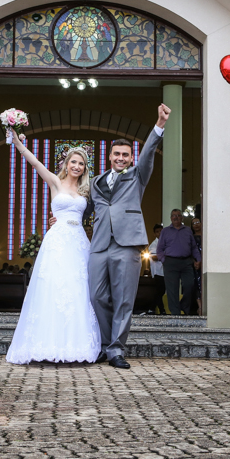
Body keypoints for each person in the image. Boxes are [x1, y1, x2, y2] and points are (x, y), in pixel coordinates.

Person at [85, 104, 170, 369]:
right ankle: (104, 345)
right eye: (116, 154)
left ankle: (116, 349)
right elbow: (83, 207)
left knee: (123, 299)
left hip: (127, 244)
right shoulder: (96, 182)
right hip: (99, 245)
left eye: (125, 155)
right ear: (109, 156)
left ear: (131, 158)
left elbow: (147, 155)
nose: (121, 158)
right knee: (97, 296)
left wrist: (159, 124)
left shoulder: (138, 176)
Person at [5, 136, 101, 364]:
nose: (77, 167)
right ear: (66, 163)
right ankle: (47, 343)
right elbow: (35, 163)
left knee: (77, 289)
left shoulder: (87, 191)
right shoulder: (55, 183)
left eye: (81, 164)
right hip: (57, 241)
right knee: (53, 288)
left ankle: (75, 345)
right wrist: (18, 144)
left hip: (78, 241)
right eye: (74, 162)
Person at [156, 209, 202, 317]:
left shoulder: (187, 231)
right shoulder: (165, 231)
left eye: (178, 215)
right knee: (172, 290)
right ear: (171, 218)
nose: (176, 217)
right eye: (173, 216)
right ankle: (175, 314)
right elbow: (159, 249)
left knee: (189, 285)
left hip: (186, 262)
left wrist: (198, 259)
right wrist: (164, 260)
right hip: (170, 262)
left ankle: (184, 306)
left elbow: (194, 247)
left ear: (182, 218)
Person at [147, 224, 166, 315]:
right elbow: (154, 257)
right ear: (155, 234)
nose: (160, 233)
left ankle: (160, 310)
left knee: (161, 291)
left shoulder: (166, 242)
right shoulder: (154, 244)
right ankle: (153, 308)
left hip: (164, 271)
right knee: (160, 290)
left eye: (161, 231)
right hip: (158, 271)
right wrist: (166, 255)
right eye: (157, 231)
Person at [190, 217, 203, 313]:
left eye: (198, 222)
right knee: (196, 284)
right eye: (194, 223)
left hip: (206, 263)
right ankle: (200, 306)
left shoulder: (206, 235)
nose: (196, 224)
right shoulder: (191, 237)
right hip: (195, 263)